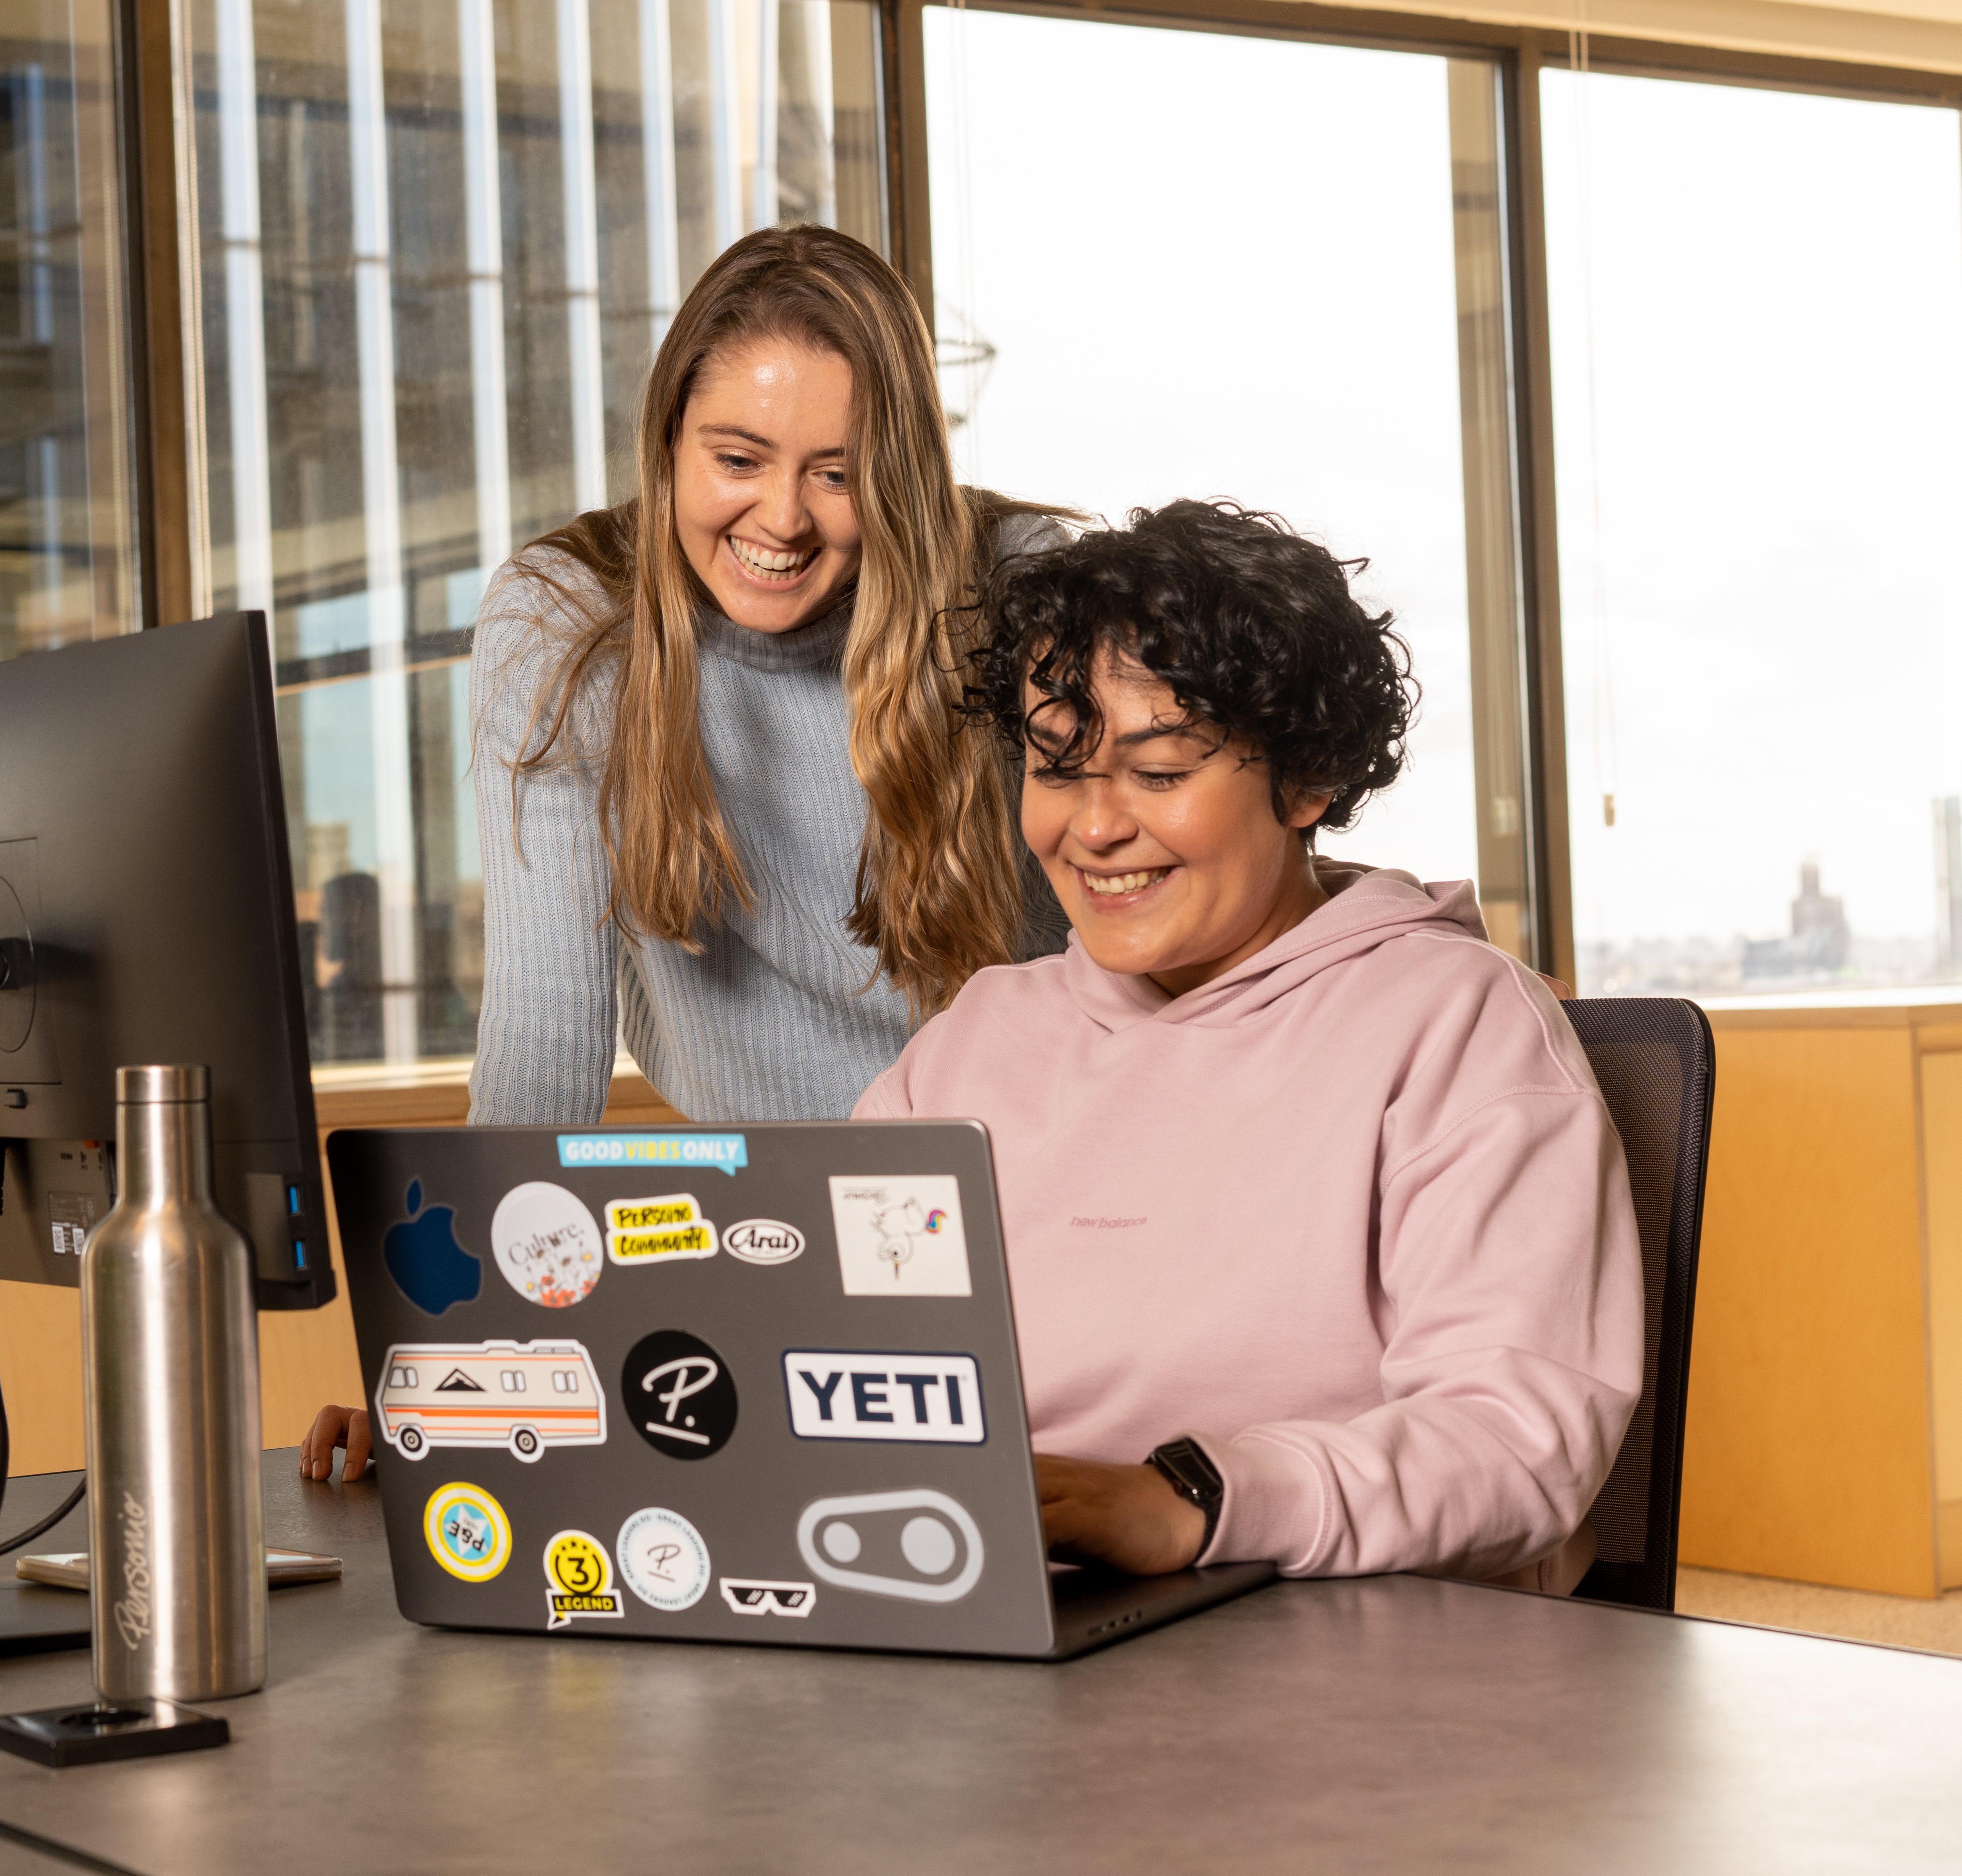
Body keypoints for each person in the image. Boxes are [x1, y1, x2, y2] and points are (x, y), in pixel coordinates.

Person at [855, 500, 1641, 1590]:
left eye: (1160, 772)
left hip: (1347, 1648)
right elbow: (841, 1361)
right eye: (1056, 766)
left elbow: (1516, 1441)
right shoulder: (975, 1042)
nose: (1092, 829)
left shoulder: (1454, 1027)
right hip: (997, 1613)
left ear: (1309, 778)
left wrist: (1190, 1500)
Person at [463, 223, 1074, 1131]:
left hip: (1026, 1158)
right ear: (669, 440)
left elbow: (1127, 939)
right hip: (761, 1195)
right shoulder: (566, 617)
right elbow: (542, 1036)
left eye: (838, 473)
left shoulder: (1012, 583)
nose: (783, 520)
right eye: (738, 460)